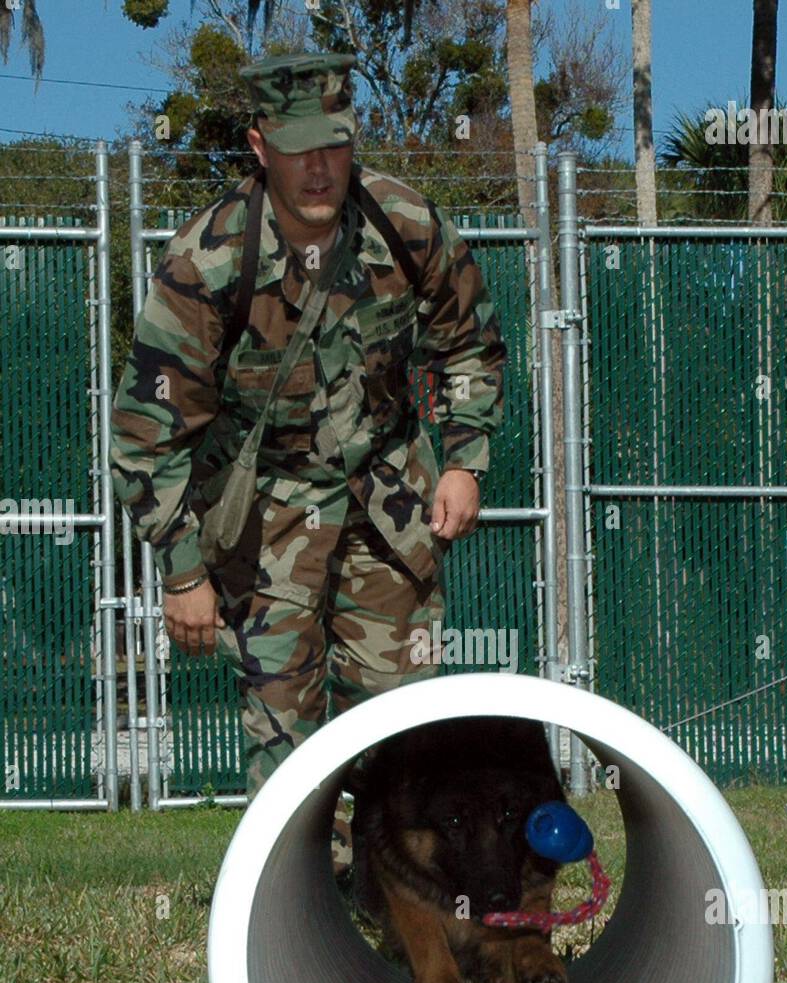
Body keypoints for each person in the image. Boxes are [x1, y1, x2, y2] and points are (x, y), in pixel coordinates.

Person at [110, 51, 507, 869]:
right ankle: (296, 912)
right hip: (268, 516)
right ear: (260, 148)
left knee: (404, 720)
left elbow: (469, 341)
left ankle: (402, 894)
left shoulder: (404, 223)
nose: (319, 167)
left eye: (333, 143)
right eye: (297, 148)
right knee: (284, 727)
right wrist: (183, 572)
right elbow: (149, 432)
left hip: (389, 498)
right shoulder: (206, 262)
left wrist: (466, 459)